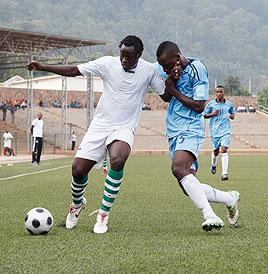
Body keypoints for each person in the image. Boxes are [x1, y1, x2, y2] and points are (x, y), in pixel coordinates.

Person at [27, 35, 166, 234]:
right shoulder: (107, 64)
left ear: (139, 55)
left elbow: (165, 95)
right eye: (122, 55)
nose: (124, 60)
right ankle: (77, 204)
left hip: (124, 127)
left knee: (118, 159)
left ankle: (103, 215)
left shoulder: (148, 71)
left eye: (129, 57)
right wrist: (43, 67)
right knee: (78, 170)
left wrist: (176, 76)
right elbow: (75, 70)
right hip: (100, 125)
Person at [156, 41, 240, 231]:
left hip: (191, 127)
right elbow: (166, 96)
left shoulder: (197, 69)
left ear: (177, 58)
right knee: (188, 186)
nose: (165, 69)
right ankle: (229, 198)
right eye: (162, 67)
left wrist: (173, 88)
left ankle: (209, 214)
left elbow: (199, 105)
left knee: (178, 168)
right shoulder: (166, 69)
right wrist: (172, 81)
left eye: (167, 66)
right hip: (173, 130)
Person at [204, 85, 235, 180]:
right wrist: (213, 114)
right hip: (214, 131)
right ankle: (213, 165)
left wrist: (232, 116)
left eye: (221, 92)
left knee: (224, 149)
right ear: (215, 93)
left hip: (225, 130)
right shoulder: (211, 104)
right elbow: (204, 115)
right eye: (217, 92)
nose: (219, 93)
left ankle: (224, 174)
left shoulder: (229, 104)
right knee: (216, 151)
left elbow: (232, 113)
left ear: (223, 93)